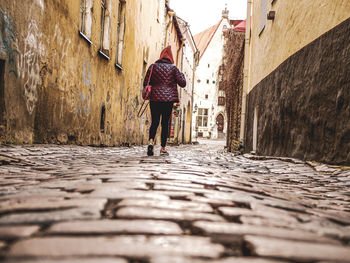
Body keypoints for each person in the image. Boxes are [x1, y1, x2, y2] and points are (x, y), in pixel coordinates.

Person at [143, 45, 186, 156]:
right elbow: (183, 83)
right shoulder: (173, 68)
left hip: (155, 99)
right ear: (171, 57)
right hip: (168, 100)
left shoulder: (153, 66)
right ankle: (162, 147)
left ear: (161, 55)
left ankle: (151, 142)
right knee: (165, 123)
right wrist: (181, 74)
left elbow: (146, 83)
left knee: (155, 122)